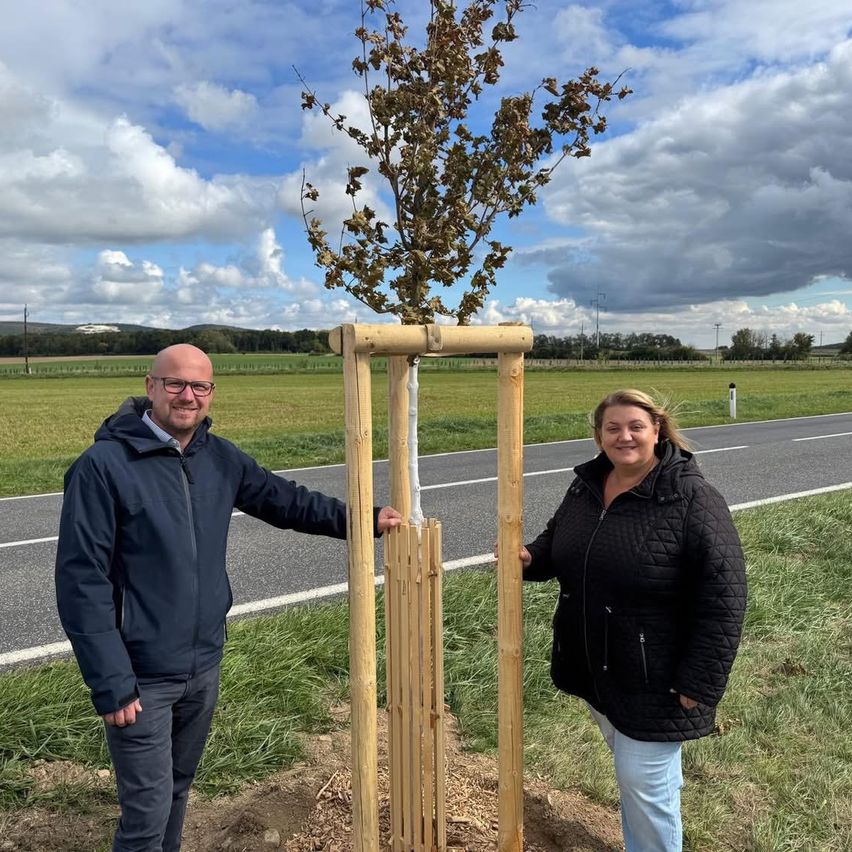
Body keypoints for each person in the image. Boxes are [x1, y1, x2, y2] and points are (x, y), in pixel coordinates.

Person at [55, 343, 402, 852]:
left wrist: (363, 519)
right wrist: (111, 681)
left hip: (202, 666)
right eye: (175, 384)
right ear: (151, 387)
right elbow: (80, 581)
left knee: (175, 789)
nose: (187, 396)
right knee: (146, 814)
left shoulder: (217, 457)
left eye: (200, 386)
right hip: (140, 677)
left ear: (211, 392)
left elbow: (286, 501)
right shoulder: (103, 466)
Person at [518, 389, 746, 851]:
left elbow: (725, 594)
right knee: (642, 780)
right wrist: (527, 559)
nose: (624, 436)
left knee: (644, 786)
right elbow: (557, 541)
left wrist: (700, 681)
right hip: (600, 666)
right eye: (613, 428)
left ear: (657, 431)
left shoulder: (691, 497)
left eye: (636, 426)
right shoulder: (587, 485)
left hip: (657, 677)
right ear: (599, 435)